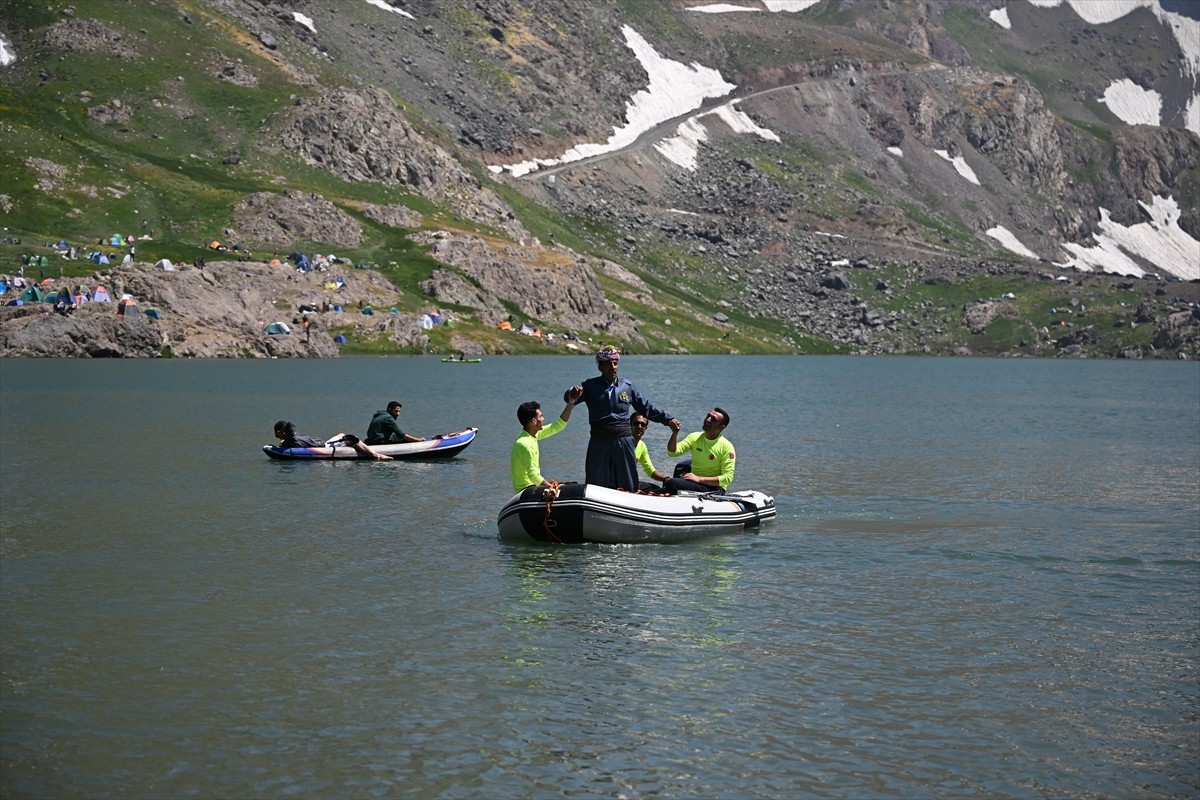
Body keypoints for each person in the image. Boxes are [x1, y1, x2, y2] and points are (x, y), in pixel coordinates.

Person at [565, 345, 679, 492]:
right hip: (600, 441)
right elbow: (567, 398)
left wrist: (667, 419)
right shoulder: (590, 386)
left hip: (624, 440)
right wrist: (572, 395)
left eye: (615, 363)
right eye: (608, 364)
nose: (613, 367)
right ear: (600, 366)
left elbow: (646, 407)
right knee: (595, 483)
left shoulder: (627, 386)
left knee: (628, 482)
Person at [511, 385, 583, 494]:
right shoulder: (525, 443)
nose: (543, 419)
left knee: (573, 485)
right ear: (534, 421)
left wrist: (570, 403)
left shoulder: (532, 434)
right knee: (568, 490)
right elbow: (534, 476)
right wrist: (554, 488)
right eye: (541, 416)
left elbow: (558, 426)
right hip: (526, 490)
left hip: (533, 486)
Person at [663, 407, 735, 494]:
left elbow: (727, 478)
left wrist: (699, 479)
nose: (708, 420)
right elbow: (672, 452)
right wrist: (675, 433)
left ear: (721, 427)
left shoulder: (726, 447)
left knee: (672, 483)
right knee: (667, 483)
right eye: (708, 416)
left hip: (714, 488)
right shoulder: (695, 437)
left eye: (713, 419)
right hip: (695, 483)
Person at [273, 420, 392, 460]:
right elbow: (290, 425)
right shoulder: (289, 440)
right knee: (351, 439)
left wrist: (282, 430)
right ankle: (376, 456)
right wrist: (283, 432)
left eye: (276, 432)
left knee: (341, 434)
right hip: (325, 448)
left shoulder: (294, 436)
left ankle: (365, 446)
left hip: (326, 443)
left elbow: (290, 426)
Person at [630, 413, 669, 492]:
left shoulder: (642, 446)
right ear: (630, 425)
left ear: (646, 428)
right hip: (616, 482)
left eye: (643, 425)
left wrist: (665, 479)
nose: (639, 427)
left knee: (657, 489)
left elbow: (650, 471)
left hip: (631, 482)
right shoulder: (621, 442)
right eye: (636, 423)